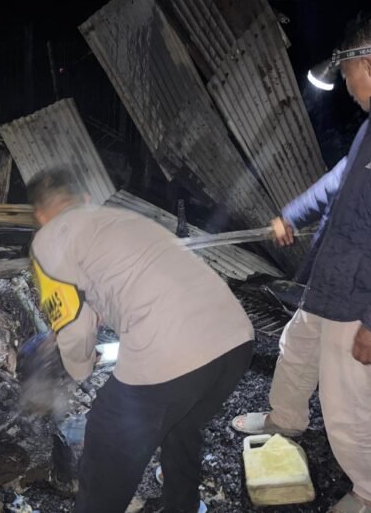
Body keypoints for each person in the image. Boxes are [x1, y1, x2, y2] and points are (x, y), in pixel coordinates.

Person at [232, 12, 371, 513]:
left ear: (369, 64)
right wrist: (291, 214)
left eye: (347, 77)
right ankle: (285, 421)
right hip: (332, 280)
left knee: (346, 400)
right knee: (296, 348)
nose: (348, 89)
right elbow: (340, 179)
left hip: (364, 296)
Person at [27, 167, 255, 513]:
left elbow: (74, 325)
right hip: (234, 341)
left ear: (41, 215)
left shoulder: (48, 238)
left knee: (106, 441)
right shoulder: (123, 219)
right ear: (85, 199)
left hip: (171, 352)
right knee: (181, 424)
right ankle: (184, 507)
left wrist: (79, 370)